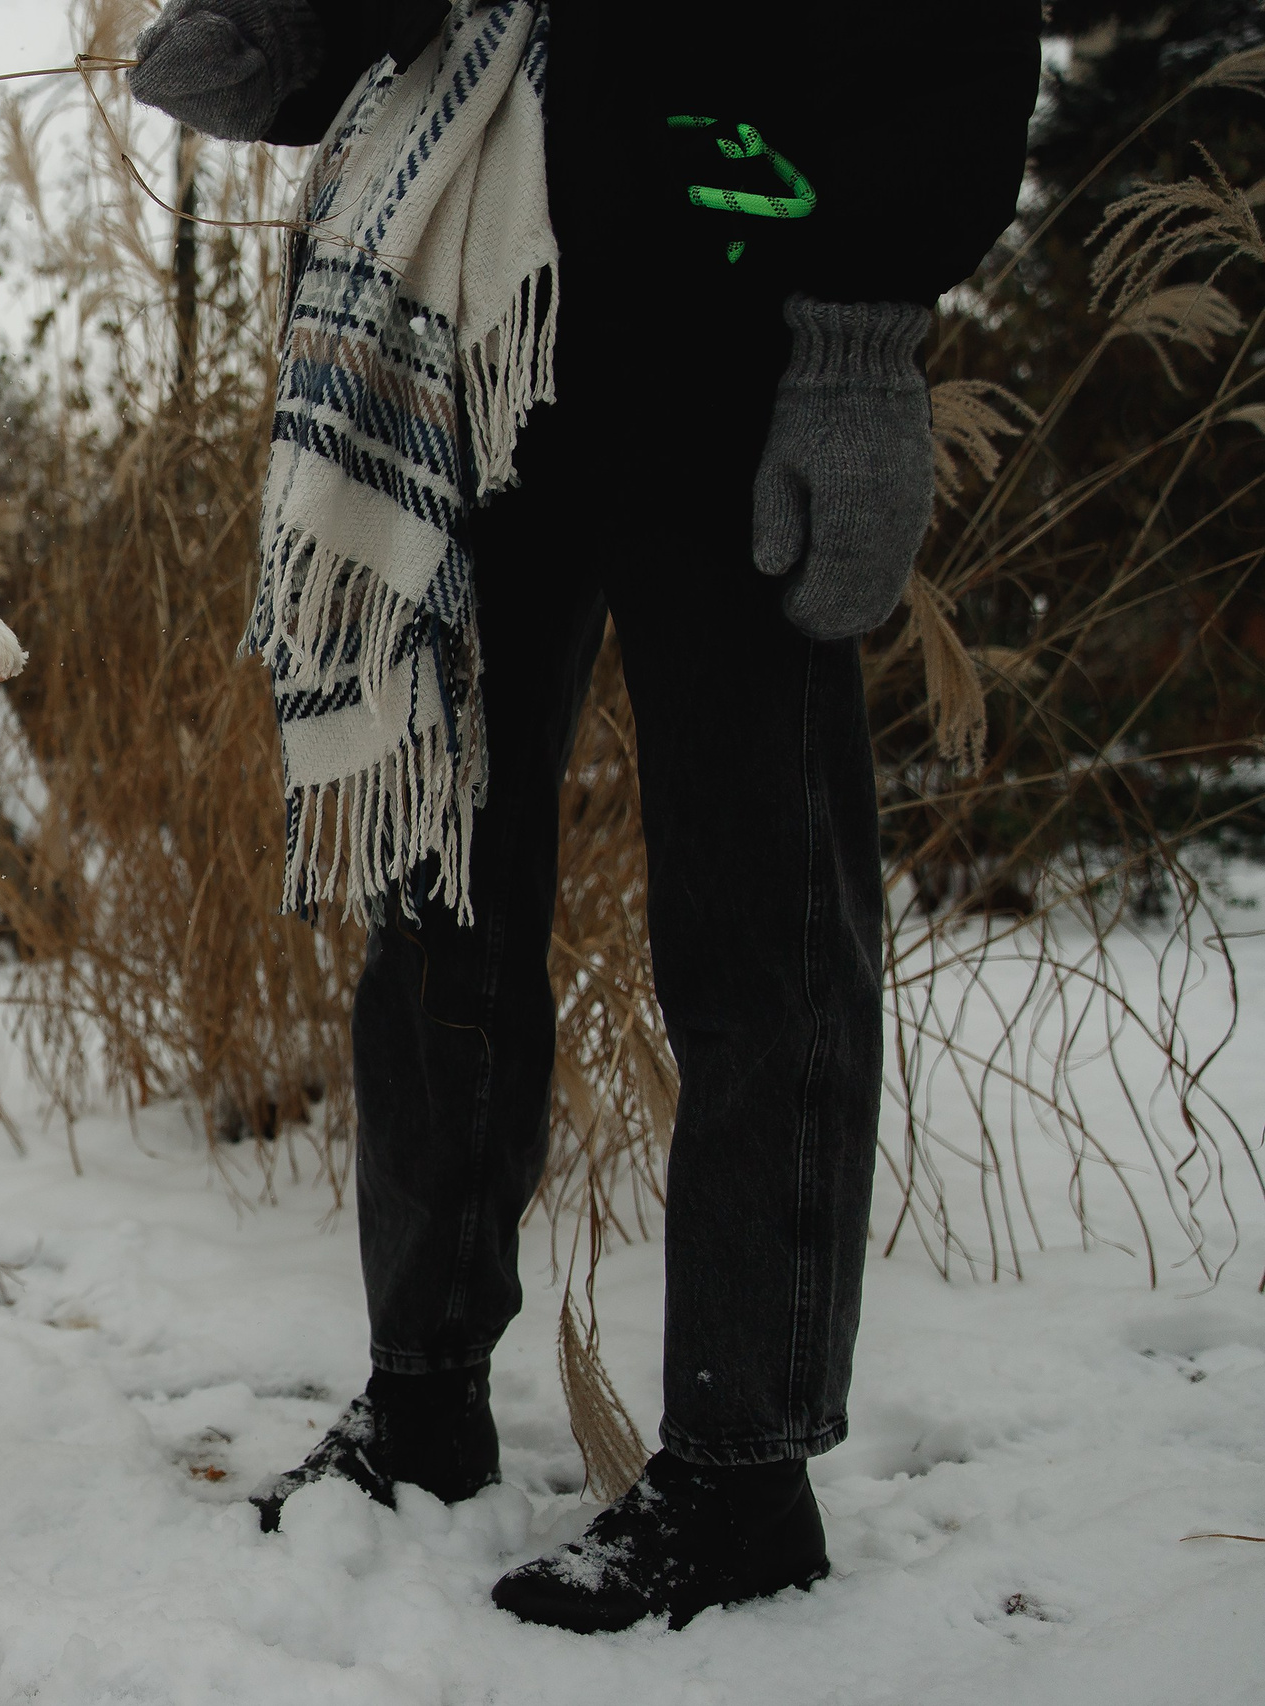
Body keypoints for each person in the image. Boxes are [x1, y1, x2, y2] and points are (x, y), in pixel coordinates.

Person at [129, 0, 1040, 1633]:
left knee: (762, 919)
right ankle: (423, 1392)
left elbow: (951, 37)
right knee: (438, 900)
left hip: (730, 349)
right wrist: (291, 35)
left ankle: (744, 1470)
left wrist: (858, 340)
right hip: (467, 347)